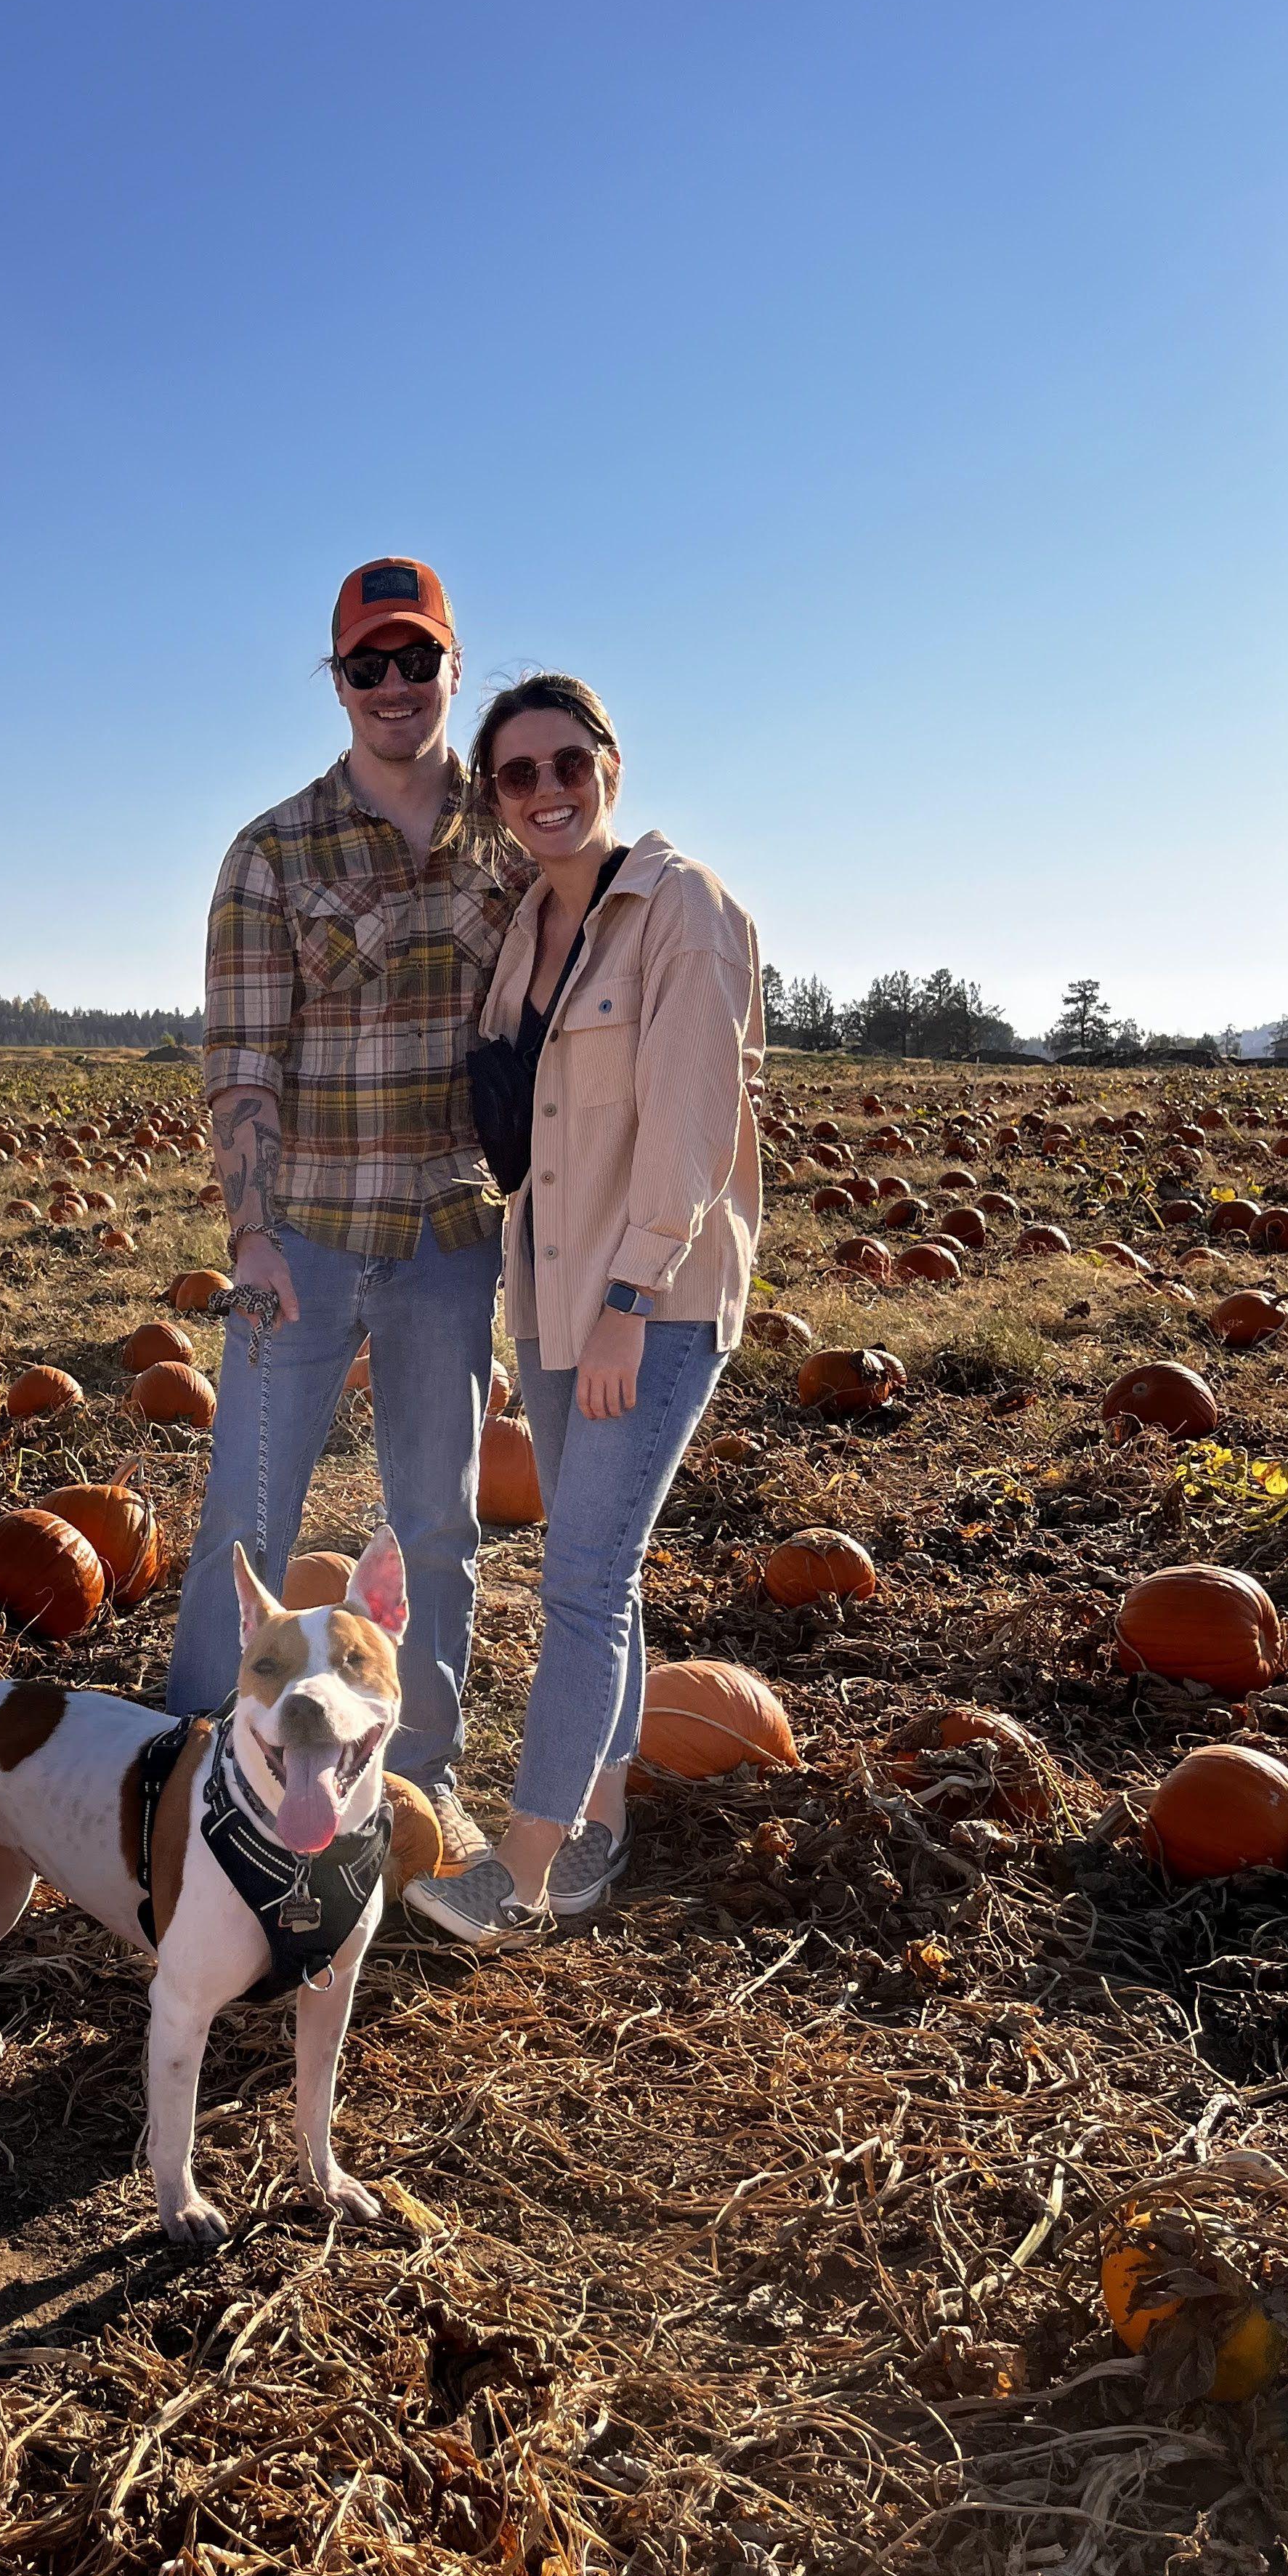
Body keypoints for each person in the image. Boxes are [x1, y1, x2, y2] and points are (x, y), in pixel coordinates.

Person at [164, 560, 536, 1864]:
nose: (393, 687)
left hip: (448, 1243)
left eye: (415, 661)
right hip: (306, 1238)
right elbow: (244, 1057)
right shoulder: (271, 851)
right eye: (366, 666)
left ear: (452, 669)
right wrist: (252, 1237)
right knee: (248, 1516)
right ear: (337, 682)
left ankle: (408, 1784)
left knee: (436, 1525)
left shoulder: (512, 839)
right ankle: (200, 1776)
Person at [398, 672, 766, 1941]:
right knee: (600, 1568)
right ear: (496, 800)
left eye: (569, 764)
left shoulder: (682, 912)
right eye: (518, 774)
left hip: (643, 1302)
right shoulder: (525, 932)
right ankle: (604, 1819)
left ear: (611, 764)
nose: (547, 790)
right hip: (550, 1298)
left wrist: (629, 1292)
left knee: (582, 1579)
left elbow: (690, 1126)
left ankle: (523, 1871)